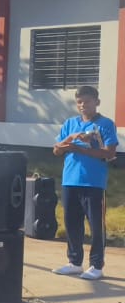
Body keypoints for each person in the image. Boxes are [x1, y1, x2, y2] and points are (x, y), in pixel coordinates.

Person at [52, 86, 117, 281]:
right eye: (79, 102)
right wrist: (71, 139)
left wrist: (80, 149)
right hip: (70, 180)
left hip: (93, 182)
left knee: (96, 226)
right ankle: (74, 262)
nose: (82, 105)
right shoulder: (70, 123)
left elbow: (109, 153)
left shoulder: (105, 124)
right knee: (72, 223)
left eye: (87, 101)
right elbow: (57, 150)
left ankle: (96, 265)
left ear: (97, 102)